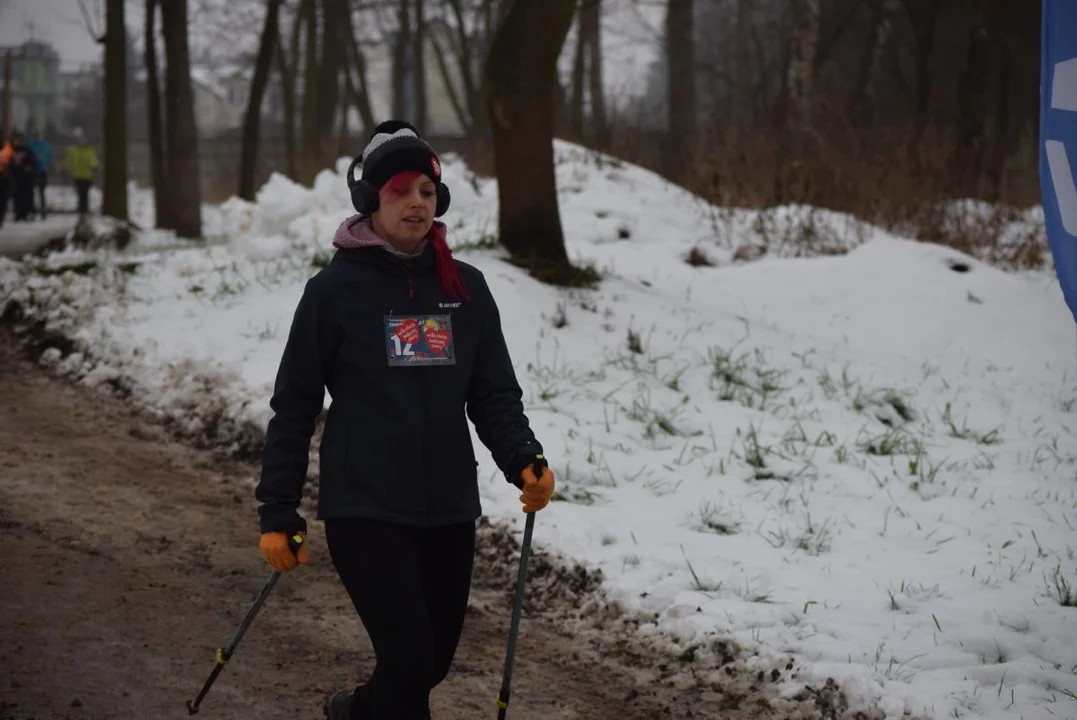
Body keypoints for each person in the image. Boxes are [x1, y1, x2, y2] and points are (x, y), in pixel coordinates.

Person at [254, 120, 556, 720]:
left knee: (428, 664)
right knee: (412, 663)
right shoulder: (333, 292)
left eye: (427, 190)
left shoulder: (465, 289)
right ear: (370, 198)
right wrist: (277, 511)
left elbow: (493, 394)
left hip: (447, 505)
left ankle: (353, 712)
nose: (417, 203)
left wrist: (523, 457)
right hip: (365, 505)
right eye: (400, 190)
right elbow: (295, 405)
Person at [6, 131, 38, 222]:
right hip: (15, 177)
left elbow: (33, 162)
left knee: (26, 197)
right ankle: (18, 213)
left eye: (19, 140)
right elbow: (7, 162)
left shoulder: (27, 150)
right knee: (16, 197)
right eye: (16, 140)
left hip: (26, 178)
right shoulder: (10, 150)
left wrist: (29, 168)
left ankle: (26, 213)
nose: (17, 142)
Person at [64, 127, 97, 215]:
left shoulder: (90, 150)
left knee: (85, 193)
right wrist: (66, 169)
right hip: (77, 175)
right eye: (80, 140)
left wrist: (94, 167)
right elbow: (69, 161)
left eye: (83, 140)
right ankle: (80, 207)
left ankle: (84, 208)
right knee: (79, 192)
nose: (82, 142)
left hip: (87, 175)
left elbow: (93, 160)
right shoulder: (73, 150)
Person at [27, 131, 53, 220]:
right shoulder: (30, 146)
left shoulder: (43, 146)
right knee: (32, 192)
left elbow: (49, 157)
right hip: (33, 172)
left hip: (42, 171)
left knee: (41, 192)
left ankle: (42, 210)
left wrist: (47, 164)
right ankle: (32, 210)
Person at [0, 136, 11, 227]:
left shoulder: (7, 148)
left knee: (2, 199)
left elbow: (9, 161)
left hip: (3, 177)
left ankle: (1, 217)